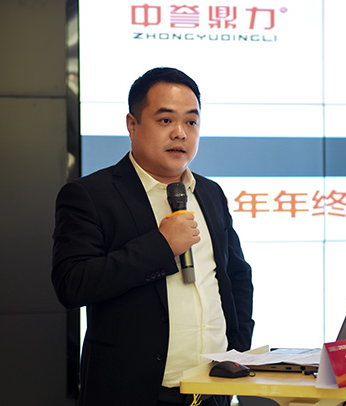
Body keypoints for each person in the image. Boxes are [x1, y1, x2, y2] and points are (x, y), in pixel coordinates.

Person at [52, 67, 255, 406]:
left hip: (214, 391)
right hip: (136, 395)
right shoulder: (91, 195)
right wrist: (161, 246)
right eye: (165, 120)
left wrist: (237, 350)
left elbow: (235, 276)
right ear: (132, 125)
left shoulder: (210, 193)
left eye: (191, 122)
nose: (180, 133)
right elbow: (72, 284)